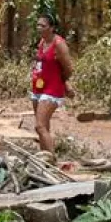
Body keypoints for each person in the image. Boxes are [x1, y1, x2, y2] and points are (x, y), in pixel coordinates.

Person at [30, 14, 74, 155]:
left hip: (52, 89)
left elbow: (68, 68)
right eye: (38, 25)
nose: (39, 28)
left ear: (52, 28)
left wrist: (64, 83)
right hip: (39, 87)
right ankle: (45, 159)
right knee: (44, 126)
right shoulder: (43, 42)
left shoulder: (59, 44)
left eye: (43, 26)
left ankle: (52, 161)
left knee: (39, 126)